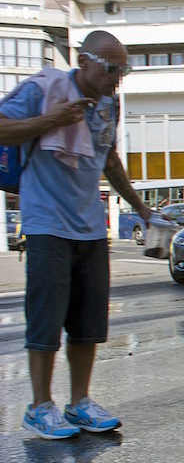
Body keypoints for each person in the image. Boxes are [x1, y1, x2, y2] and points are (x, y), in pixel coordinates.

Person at [0, 30, 154, 439]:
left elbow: (110, 161)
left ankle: (80, 402)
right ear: (83, 60)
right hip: (47, 222)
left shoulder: (109, 104)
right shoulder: (44, 87)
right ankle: (39, 406)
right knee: (46, 319)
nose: (116, 79)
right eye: (110, 69)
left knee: (88, 321)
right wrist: (52, 120)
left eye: (123, 71)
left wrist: (140, 207)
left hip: (89, 227)